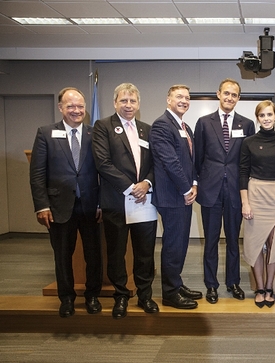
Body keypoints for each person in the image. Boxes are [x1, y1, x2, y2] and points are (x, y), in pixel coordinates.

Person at [29, 87, 102, 318]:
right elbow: (37, 173)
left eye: (80, 106)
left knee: (94, 255)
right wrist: (42, 205)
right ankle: (67, 299)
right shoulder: (45, 133)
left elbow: (102, 172)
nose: (76, 110)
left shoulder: (95, 134)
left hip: (91, 205)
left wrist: (101, 203)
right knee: (62, 256)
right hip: (59, 207)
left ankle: (92, 296)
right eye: (70, 106)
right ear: (60, 108)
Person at [92, 83, 158, 319]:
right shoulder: (102, 127)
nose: (128, 105)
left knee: (145, 253)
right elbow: (102, 162)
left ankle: (145, 296)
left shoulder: (147, 130)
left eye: (132, 101)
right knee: (117, 252)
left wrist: (147, 184)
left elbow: (155, 164)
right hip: (117, 201)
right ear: (115, 103)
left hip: (144, 202)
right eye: (124, 101)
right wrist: (131, 187)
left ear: (138, 104)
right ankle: (120, 297)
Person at [194, 78, 255, 304]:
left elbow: (246, 161)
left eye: (234, 95)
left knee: (232, 240)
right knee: (210, 241)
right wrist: (198, 183)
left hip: (236, 191)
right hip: (210, 190)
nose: (230, 98)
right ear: (218, 94)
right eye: (226, 93)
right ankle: (211, 285)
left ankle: (233, 282)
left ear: (238, 98)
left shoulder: (247, 124)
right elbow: (197, 158)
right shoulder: (203, 122)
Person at [150, 85, 201, 310]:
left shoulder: (185, 127)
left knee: (180, 243)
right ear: (168, 99)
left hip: (183, 194)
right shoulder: (162, 125)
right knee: (172, 245)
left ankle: (176, 283)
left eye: (187, 98)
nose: (184, 101)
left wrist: (195, 183)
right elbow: (170, 162)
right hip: (172, 195)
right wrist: (186, 189)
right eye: (179, 97)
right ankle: (170, 293)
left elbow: (190, 161)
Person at [239, 100, 275, 308]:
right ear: (258, 118)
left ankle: (270, 287)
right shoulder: (248, 142)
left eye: (270, 115)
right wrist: (245, 203)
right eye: (262, 115)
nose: (267, 118)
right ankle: (259, 288)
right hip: (255, 194)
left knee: (273, 244)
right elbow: (242, 172)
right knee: (254, 245)